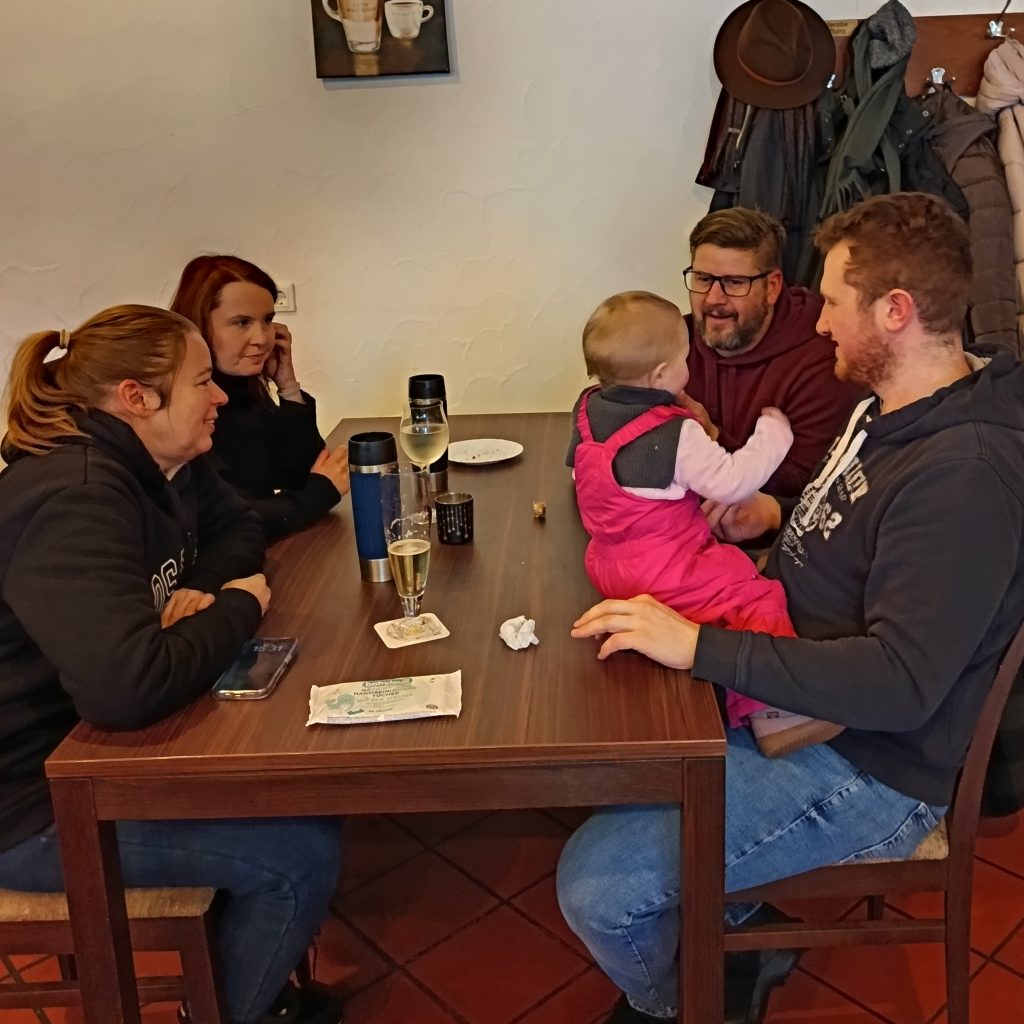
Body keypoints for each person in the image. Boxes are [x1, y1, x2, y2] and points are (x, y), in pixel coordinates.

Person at [557, 192, 1024, 1024]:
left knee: (598, 886)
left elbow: (900, 684)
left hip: (870, 766)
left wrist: (698, 644)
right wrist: (769, 516)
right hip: (788, 689)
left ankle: (677, 1006)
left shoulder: (964, 476)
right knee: (602, 746)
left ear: (895, 311)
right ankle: (740, 934)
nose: (818, 324)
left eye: (833, 303)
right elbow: (844, 520)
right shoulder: (884, 408)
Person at [0, 306, 343, 1024]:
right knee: (298, 857)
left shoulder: (164, 462)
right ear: (136, 397)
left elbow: (239, 528)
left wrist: (199, 600)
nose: (220, 396)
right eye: (201, 382)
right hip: (31, 803)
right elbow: (127, 689)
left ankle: (243, 981)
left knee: (308, 792)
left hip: (88, 756)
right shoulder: (76, 496)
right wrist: (237, 606)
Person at [567, 290, 841, 757]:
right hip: (665, 567)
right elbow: (733, 483)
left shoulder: (587, 409)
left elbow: (582, 474)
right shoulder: (675, 434)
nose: (688, 366)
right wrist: (773, 434)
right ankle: (775, 716)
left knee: (714, 590)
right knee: (753, 594)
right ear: (660, 375)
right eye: (683, 359)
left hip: (607, 565)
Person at [682, 206, 860, 498]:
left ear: (772, 287)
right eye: (703, 279)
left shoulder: (825, 360)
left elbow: (806, 487)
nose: (713, 299)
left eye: (734, 282)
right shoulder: (675, 340)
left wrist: (711, 434)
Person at [170, 255, 349, 542]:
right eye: (242, 322)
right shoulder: (180, 407)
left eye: (267, 320)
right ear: (198, 326)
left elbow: (301, 475)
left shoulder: (242, 386)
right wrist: (318, 494)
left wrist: (288, 387)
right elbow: (229, 519)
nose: (262, 339)